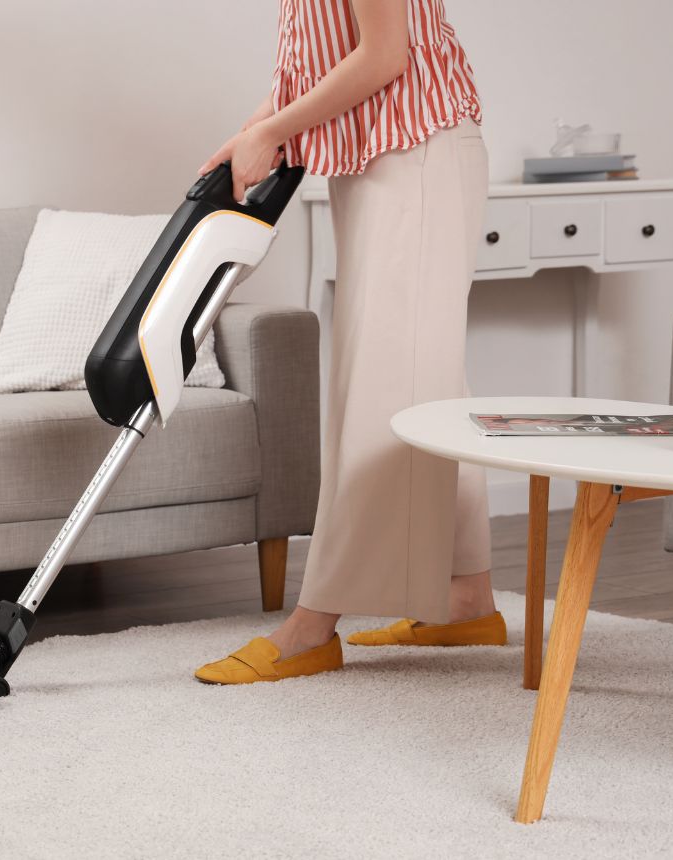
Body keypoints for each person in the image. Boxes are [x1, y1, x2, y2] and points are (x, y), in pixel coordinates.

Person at [195, 0, 504, 685]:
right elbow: (321, 48)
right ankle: (466, 600)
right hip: (385, 156)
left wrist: (273, 127)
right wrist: (257, 130)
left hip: (415, 155)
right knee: (428, 381)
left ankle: (313, 625)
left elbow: (384, 54)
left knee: (381, 387)